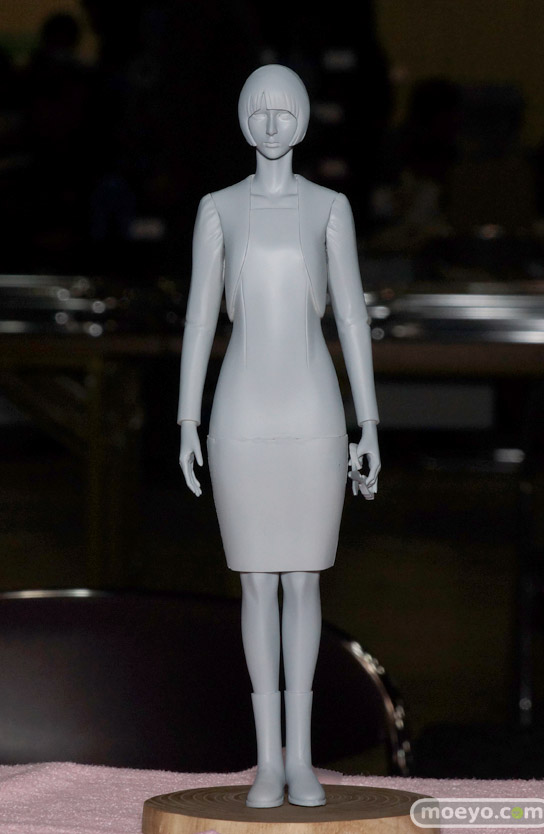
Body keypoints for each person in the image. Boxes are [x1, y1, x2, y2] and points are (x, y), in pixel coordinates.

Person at [178, 64, 380, 808]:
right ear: (241, 119)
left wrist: (369, 422)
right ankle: (268, 760)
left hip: (314, 419)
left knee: (304, 582)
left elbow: (351, 316)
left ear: (303, 119)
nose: (270, 125)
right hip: (240, 419)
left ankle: (303, 758)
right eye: (257, 111)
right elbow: (200, 317)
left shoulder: (329, 208)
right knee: (256, 585)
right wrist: (186, 418)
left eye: (284, 111)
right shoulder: (218, 209)